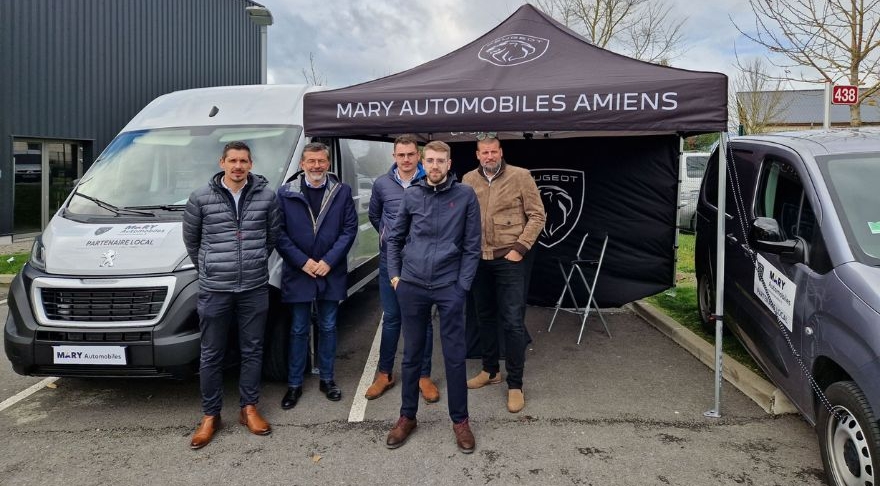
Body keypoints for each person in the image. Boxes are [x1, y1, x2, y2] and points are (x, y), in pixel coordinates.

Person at [384, 141, 481, 454]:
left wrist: (462, 286)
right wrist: (396, 277)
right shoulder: (412, 194)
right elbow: (395, 238)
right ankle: (407, 417)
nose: (435, 166)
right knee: (411, 355)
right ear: (423, 164)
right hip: (412, 284)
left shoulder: (465, 195)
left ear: (449, 163)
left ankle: (460, 421)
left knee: (454, 356)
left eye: (441, 160)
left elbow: (472, 245)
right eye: (430, 161)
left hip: (449, 285)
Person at [183, 140, 280, 450]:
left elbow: (272, 237)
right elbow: (192, 242)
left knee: (253, 349)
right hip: (215, 290)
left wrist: (250, 265)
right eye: (233, 160)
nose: (238, 166)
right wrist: (211, 269)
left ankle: (248, 408)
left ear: (251, 165)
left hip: (253, 287)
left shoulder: (266, 196)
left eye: (244, 161)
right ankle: (211, 415)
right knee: (211, 353)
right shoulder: (200, 197)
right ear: (221, 162)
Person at [462, 133, 546, 414]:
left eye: (493, 152)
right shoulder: (468, 180)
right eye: (484, 153)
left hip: (509, 260)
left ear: (501, 152)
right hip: (479, 261)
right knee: (483, 316)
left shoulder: (521, 176)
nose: (489, 157)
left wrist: (520, 248)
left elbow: (537, 215)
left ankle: (515, 384)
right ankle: (489, 370)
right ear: (477, 155)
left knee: (512, 322)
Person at [275, 142, 357, 409]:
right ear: (302, 164)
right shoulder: (285, 193)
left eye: (321, 161)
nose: (316, 166)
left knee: (329, 326)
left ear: (328, 163)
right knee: (298, 329)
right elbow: (279, 234)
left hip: (329, 272)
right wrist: (303, 262)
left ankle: (328, 379)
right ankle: (295, 384)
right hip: (299, 272)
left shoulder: (341, 191)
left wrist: (328, 262)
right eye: (311, 161)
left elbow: (349, 230)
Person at [365, 134, 440, 403]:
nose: (406, 159)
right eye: (401, 155)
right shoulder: (382, 184)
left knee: (422, 322)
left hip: (420, 265)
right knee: (392, 319)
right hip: (390, 262)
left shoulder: (431, 182)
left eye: (411, 154)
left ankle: (423, 375)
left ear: (418, 156)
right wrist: (387, 236)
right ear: (394, 156)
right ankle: (385, 373)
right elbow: (375, 215)